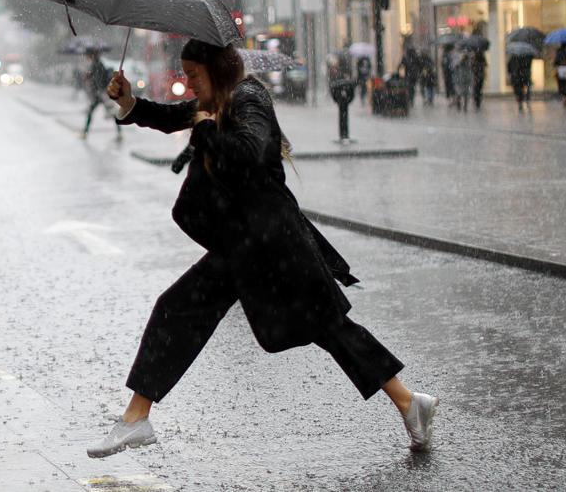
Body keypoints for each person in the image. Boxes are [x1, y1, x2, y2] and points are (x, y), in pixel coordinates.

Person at [86, 39, 439, 459]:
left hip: (273, 244)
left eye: (194, 73)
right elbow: (168, 116)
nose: (189, 82)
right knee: (189, 310)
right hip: (248, 242)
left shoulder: (248, 98)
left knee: (325, 328)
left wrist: (204, 130)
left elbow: (249, 151)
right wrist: (130, 103)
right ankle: (136, 417)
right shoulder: (216, 99)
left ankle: (408, 402)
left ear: (216, 69)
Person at [81, 48, 121, 140]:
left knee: (110, 112)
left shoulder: (97, 65)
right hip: (100, 94)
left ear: (93, 55)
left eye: (89, 55)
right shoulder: (97, 64)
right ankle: (85, 132)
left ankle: (85, 133)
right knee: (93, 112)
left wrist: (89, 77)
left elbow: (98, 79)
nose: (88, 57)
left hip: (101, 94)